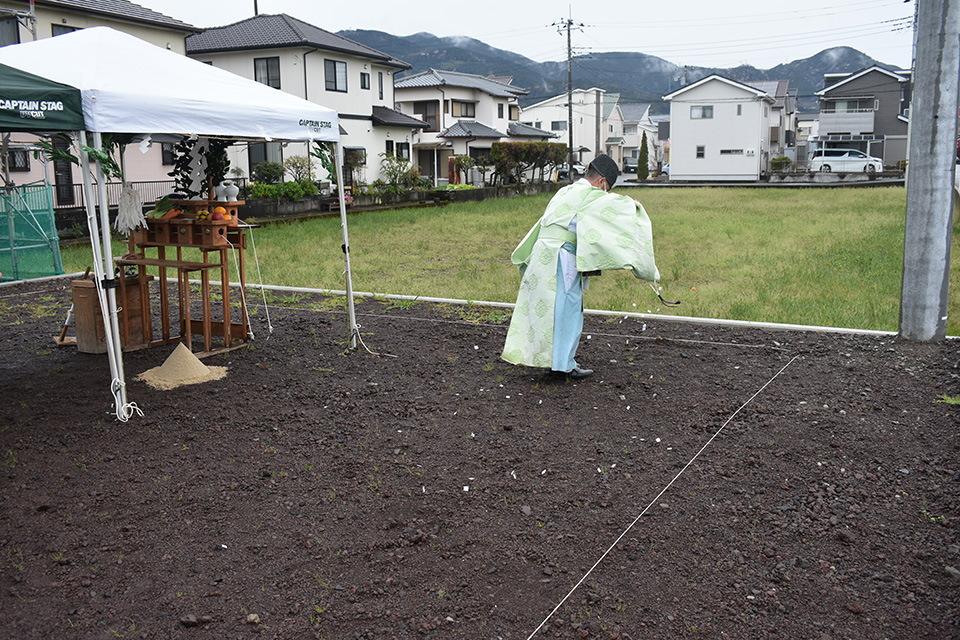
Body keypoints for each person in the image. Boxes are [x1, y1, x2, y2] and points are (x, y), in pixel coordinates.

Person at [501, 154, 659, 378]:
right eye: (607, 188)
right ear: (602, 182)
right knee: (567, 309)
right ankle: (562, 366)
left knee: (545, 309)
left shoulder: (565, 191)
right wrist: (635, 207)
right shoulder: (591, 195)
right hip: (561, 256)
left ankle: (549, 360)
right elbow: (621, 210)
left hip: (541, 254)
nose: (606, 192)